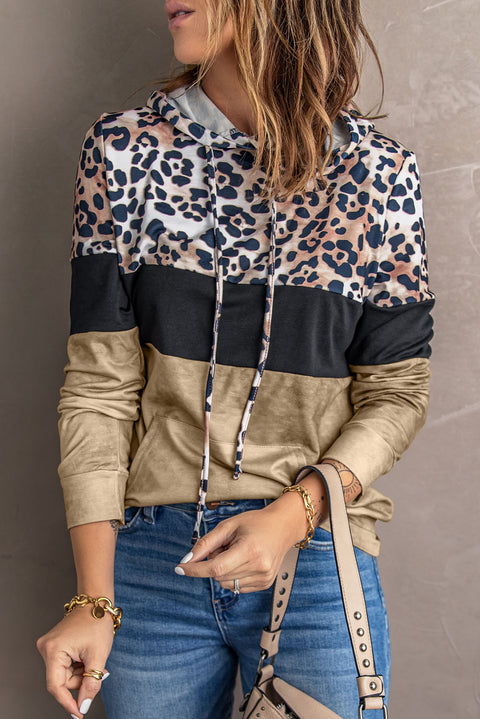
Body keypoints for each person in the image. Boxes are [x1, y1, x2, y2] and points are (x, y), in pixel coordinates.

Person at [36, 1, 435, 718]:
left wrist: (292, 515)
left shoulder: (380, 175)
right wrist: (94, 598)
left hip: (315, 559)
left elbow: (397, 393)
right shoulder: (123, 152)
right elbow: (99, 387)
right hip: (151, 565)